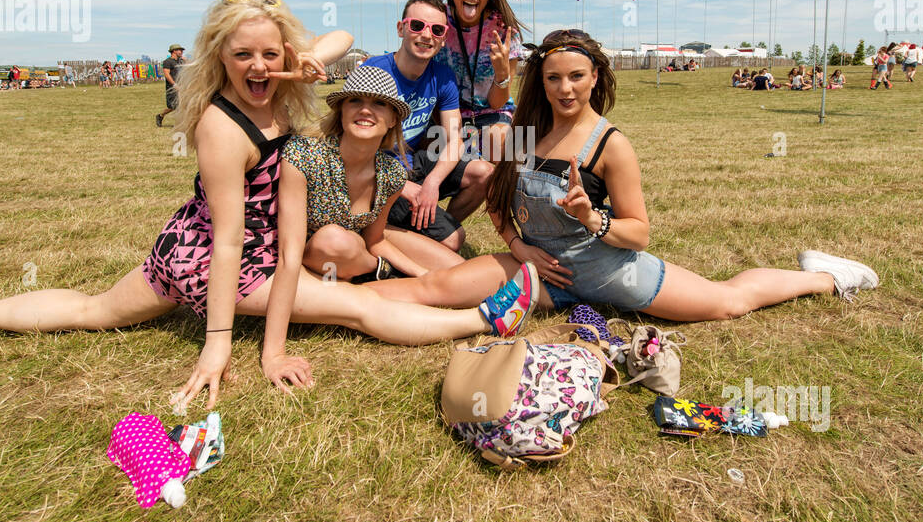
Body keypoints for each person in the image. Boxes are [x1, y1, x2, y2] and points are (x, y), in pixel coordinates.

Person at [0, 0, 538, 409]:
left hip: (186, 244)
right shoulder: (222, 124)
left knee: (96, 311)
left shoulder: (277, 88)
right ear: (220, 59)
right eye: (243, 55)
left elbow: (341, 43)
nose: (258, 66)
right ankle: (484, 319)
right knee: (358, 308)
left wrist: (296, 57)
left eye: (269, 53)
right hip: (228, 257)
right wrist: (219, 347)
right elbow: (233, 240)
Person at [367, 30, 877, 322]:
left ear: (595, 78)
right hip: (541, 279)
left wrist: (594, 218)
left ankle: (827, 277)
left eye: (576, 77)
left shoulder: (612, 146)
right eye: (553, 78)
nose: (565, 89)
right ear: (540, 81)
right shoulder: (524, 133)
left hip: (613, 272)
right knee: (432, 289)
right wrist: (517, 247)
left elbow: (639, 232)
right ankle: (310, 300)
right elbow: (499, 201)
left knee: (727, 302)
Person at [283, 65, 439, 281]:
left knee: (454, 266)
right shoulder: (305, 155)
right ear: (342, 111)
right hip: (306, 262)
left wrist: (422, 274)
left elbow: (374, 239)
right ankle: (378, 272)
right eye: (355, 100)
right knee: (335, 241)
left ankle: (376, 273)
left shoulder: (392, 173)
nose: (366, 110)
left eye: (379, 103)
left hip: (350, 258)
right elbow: (289, 249)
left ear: (393, 119)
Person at [366, 0, 492, 262]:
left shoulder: (442, 76)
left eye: (436, 29)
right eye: (417, 26)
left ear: (444, 37)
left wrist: (432, 183)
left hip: (414, 164)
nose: (426, 35)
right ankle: (384, 233)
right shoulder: (375, 72)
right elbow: (350, 150)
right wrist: (401, 186)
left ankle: (425, 226)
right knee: (453, 242)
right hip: (376, 176)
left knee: (484, 172)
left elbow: (456, 139)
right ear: (401, 28)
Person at [435, 0, 525, 163]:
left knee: (505, 144)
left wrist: (502, 72)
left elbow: (496, 103)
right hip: (446, 117)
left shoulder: (504, 30)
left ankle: (501, 197)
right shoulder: (435, 23)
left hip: (492, 116)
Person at [157, 43, 185, 127]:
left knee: (183, 104)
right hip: (172, 87)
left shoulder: (180, 61)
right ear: (174, 51)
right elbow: (167, 74)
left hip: (182, 85)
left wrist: (186, 60)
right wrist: (174, 84)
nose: (181, 52)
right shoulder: (167, 62)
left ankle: (182, 123)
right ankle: (160, 115)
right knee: (173, 106)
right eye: (179, 50)